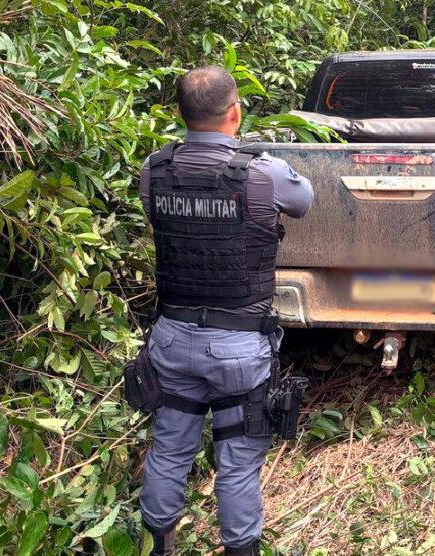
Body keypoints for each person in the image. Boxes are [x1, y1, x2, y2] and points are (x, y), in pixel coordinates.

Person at [137, 66, 313, 556]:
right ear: (235, 112)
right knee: (237, 460)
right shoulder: (264, 173)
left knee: (170, 447)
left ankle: (160, 546)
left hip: (172, 338)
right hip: (238, 346)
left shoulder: (155, 170)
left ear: (179, 114)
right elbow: (305, 200)